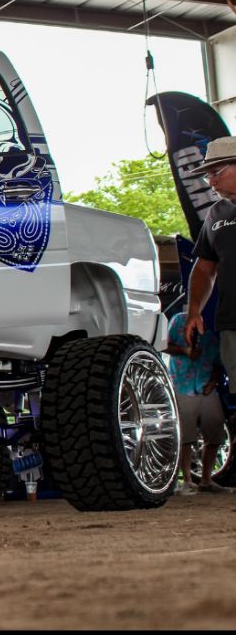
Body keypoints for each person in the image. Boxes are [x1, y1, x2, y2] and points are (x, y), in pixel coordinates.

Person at [180, 135, 236, 493]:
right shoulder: (216, 215)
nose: (210, 181)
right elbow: (204, 268)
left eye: (217, 172)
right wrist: (193, 311)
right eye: (208, 174)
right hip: (233, 322)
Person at [164, 311, 227, 494]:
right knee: (185, 435)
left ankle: (206, 480)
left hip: (205, 386)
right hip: (182, 385)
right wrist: (185, 351)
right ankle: (187, 481)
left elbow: (218, 362)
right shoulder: (179, 320)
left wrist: (214, 381)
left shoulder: (213, 328)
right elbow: (164, 345)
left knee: (215, 429)